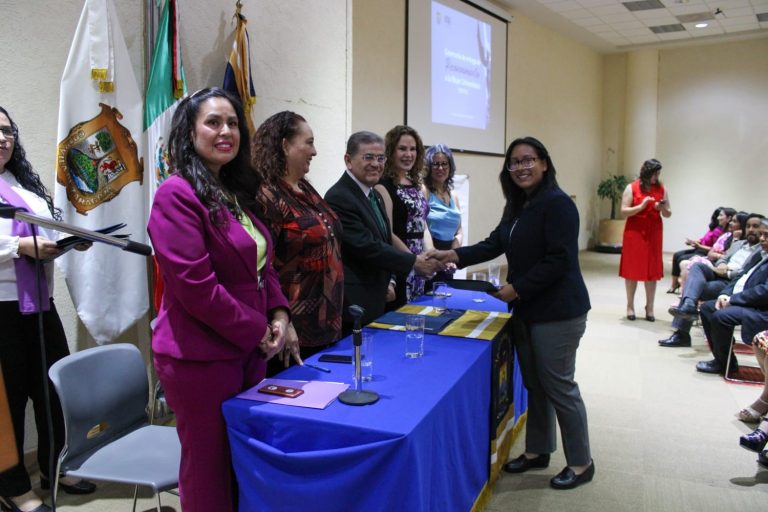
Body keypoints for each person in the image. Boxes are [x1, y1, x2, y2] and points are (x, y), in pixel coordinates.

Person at [148, 88, 290, 512]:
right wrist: (258, 329)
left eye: (232, 123)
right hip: (200, 359)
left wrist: (279, 312)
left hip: (247, 350)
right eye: (213, 122)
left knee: (241, 464)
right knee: (208, 470)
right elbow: (197, 289)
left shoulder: (232, 191)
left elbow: (261, 266)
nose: (226, 131)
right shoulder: (176, 194)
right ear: (189, 132)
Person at [428, 136, 593, 490]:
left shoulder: (558, 204)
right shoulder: (519, 205)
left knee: (559, 386)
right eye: (514, 162)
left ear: (545, 163)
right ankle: (538, 451)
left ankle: (581, 463)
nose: (520, 167)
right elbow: (495, 243)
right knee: (535, 383)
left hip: (559, 312)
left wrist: (516, 288)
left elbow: (559, 260)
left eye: (528, 160)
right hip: (529, 307)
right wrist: (454, 256)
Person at [0, 106, 95, 512]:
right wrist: (17, 247)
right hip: (1, 308)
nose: (2, 138)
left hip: (40, 304)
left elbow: (47, 233)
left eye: (7, 131)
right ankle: (12, 484)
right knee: (10, 401)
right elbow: (20, 243)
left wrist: (71, 239)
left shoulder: (22, 188)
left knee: (51, 389)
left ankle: (56, 465)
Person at [252, 111, 344, 376]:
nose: (314, 151)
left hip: (327, 322)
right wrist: (282, 320)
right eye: (309, 142)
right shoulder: (267, 195)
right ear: (284, 145)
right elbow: (261, 264)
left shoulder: (306, 188)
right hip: (291, 331)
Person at [324, 131, 441, 332]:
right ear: (348, 160)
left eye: (380, 158)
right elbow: (367, 245)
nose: (376, 164)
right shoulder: (339, 196)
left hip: (378, 295)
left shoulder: (372, 195)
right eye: (368, 157)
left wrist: (392, 279)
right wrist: (413, 262)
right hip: (355, 304)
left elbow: (385, 238)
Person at [659, 213, 764, 348]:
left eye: (755, 226)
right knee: (697, 267)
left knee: (695, 288)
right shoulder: (740, 244)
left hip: (730, 283)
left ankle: (682, 333)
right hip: (718, 272)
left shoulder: (761, 250)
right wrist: (721, 265)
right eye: (748, 226)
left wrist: (728, 272)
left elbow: (747, 273)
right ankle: (689, 305)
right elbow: (724, 257)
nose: (750, 229)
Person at [695, 218, 768, 376]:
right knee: (708, 308)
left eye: (766, 236)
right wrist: (724, 294)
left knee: (721, 316)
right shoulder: (759, 256)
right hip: (744, 301)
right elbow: (739, 278)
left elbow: (764, 291)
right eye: (761, 235)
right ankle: (723, 359)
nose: (762, 239)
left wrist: (733, 300)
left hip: (760, 309)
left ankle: (723, 364)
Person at [374, 125, 432, 307]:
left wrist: (430, 256)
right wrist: (413, 261)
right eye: (402, 149)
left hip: (420, 263)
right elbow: (388, 234)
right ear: (390, 151)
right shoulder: (382, 186)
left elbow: (423, 225)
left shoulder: (418, 185)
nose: (408, 154)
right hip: (400, 263)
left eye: (413, 149)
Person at [618, 159, 671, 321]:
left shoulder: (662, 188)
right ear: (647, 173)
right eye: (654, 173)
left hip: (654, 231)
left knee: (652, 270)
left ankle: (650, 307)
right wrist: (641, 206)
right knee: (632, 269)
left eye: (658, 174)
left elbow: (668, 213)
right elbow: (624, 211)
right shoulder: (632, 187)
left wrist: (662, 208)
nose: (656, 177)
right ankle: (630, 305)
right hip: (635, 231)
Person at [424, 144, 462, 289]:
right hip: (429, 255)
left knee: (445, 300)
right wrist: (434, 256)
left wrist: (452, 256)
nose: (440, 168)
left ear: (450, 166)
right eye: (436, 164)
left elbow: (459, 231)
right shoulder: (424, 190)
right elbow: (422, 226)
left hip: (448, 258)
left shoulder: (454, 195)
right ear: (428, 167)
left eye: (444, 164)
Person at [666, 207, 729, 293]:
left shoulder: (721, 233)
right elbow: (704, 239)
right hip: (700, 248)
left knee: (682, 259)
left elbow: (713, 249)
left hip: (704, 251)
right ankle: (674, 284)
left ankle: (684, 287)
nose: (718, 218)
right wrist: (694, 242)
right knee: (677, 254)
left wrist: (699, 246)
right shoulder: (713, 228)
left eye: (721, 215)